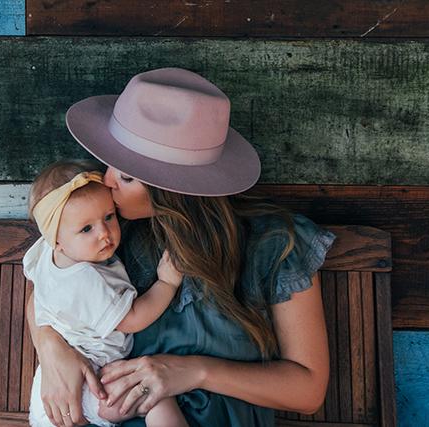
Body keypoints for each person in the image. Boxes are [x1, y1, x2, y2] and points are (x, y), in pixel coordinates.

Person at [26, 67, 336, 427]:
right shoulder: (109, 232)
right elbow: (46, 287)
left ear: (172, 189)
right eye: (110, 164)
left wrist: (193, 372)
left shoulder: (273, 244)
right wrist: (51, 348)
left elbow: (308, 391)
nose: (107, 182)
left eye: (126, 176)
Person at [23, 160, 189, 427]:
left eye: (109, 217)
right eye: (86, 229)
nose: (104, 234)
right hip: (88, 383)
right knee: (156, 400)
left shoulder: (46, 253)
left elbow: (36, 284)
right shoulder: (86, 280)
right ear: (58, 241)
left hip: (53, 382)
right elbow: (132, 318)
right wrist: (166, 284)